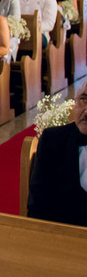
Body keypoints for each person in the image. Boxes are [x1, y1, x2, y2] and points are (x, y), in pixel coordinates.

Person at [26, 82, 87, 228]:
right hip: (61, 239)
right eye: (84, 99)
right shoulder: (52, 140)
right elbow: (37, 206)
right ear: (75, 102)